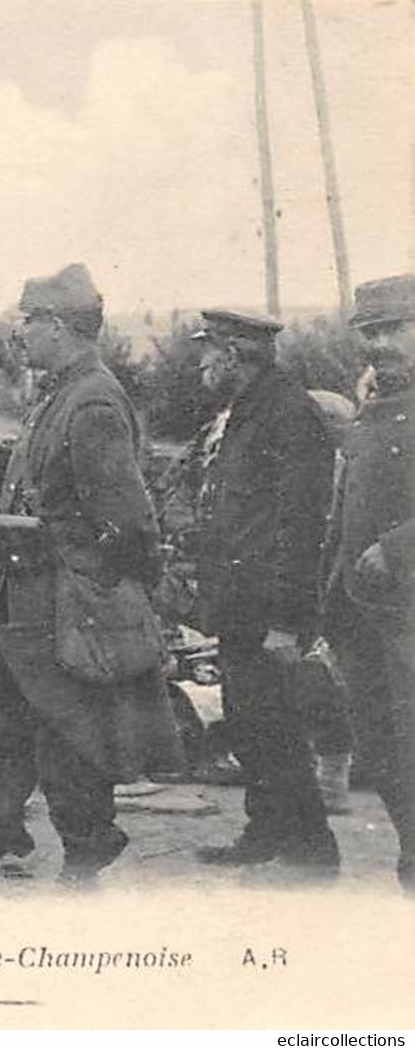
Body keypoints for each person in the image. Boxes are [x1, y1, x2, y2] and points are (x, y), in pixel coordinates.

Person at [0, 263, 181, 886]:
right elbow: (49, 481)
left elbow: (128, 522)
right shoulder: (61, 391)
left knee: (67, 741)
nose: (19, 332)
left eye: (27, 321)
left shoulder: (93, 401)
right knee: (1, 729)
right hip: (26, 601)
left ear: (58, 326)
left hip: (62, 603)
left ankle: (86, 854)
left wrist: (94, 581)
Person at [188, 308, 340, 876]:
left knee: (274, 728)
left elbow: (303, 527)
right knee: (249, 723)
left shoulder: (288, 415)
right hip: (240, 604)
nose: (201, 361)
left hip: (267, 608)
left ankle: (313, 854)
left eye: (209, 350)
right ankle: (266, 832)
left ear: (235, 354)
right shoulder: (249, 412)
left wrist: (286, 620)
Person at [322, 274, 415, 892]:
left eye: (394, 328)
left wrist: (399, 547)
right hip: (361, 612)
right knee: (382, 748)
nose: (381, 343)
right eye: (371, 332)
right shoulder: (373, 405)